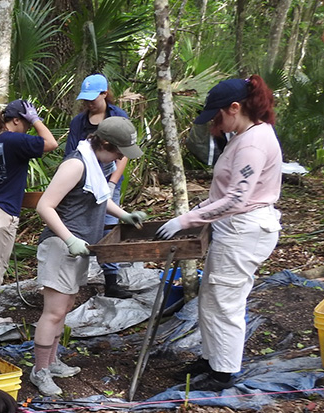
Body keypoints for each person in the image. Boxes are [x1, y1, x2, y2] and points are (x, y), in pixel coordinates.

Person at [156, 76, 282, 391]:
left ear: (236, 108)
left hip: (245, 231)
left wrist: (187, 221)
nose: (215, 122)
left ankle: (223, 374)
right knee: (211, 298)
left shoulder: (253, 142)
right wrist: (196, 212)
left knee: (225, 302)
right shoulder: (244, 135)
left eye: (219, 114)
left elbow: (238, 198)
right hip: (231, 228)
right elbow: (223, 192)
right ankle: (212, 360)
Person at [31, 117, 146, 396]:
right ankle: (40, 370)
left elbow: (99, 198)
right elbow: (45, 205)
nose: (120, 158)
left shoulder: (97, 164)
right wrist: (68, 238)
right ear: (104, 144)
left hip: (80, 248)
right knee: (53, 312)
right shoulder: (76, 164)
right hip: (61, 247)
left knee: (65, 309)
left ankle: (52, 360)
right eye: (118, 152)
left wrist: (124, 215)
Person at [0, 99, 58, 326]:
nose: (28, 127)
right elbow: (51, 143)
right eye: (26, 122)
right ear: (16, 120)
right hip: (0, 213)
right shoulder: (15, 140)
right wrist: (36, 119)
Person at [67, 74, 136, 299]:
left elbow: (124, 152)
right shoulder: (79, 121)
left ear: (104, 94)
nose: (89, 103)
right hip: (83, 175)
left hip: (109, 177)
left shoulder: (118, 116)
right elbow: (71, 154)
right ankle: (73, 278)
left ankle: (111, 281)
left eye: (93, 98)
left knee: (109, 225)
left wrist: (113, 182)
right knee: (84, 223)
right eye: (85, 99)